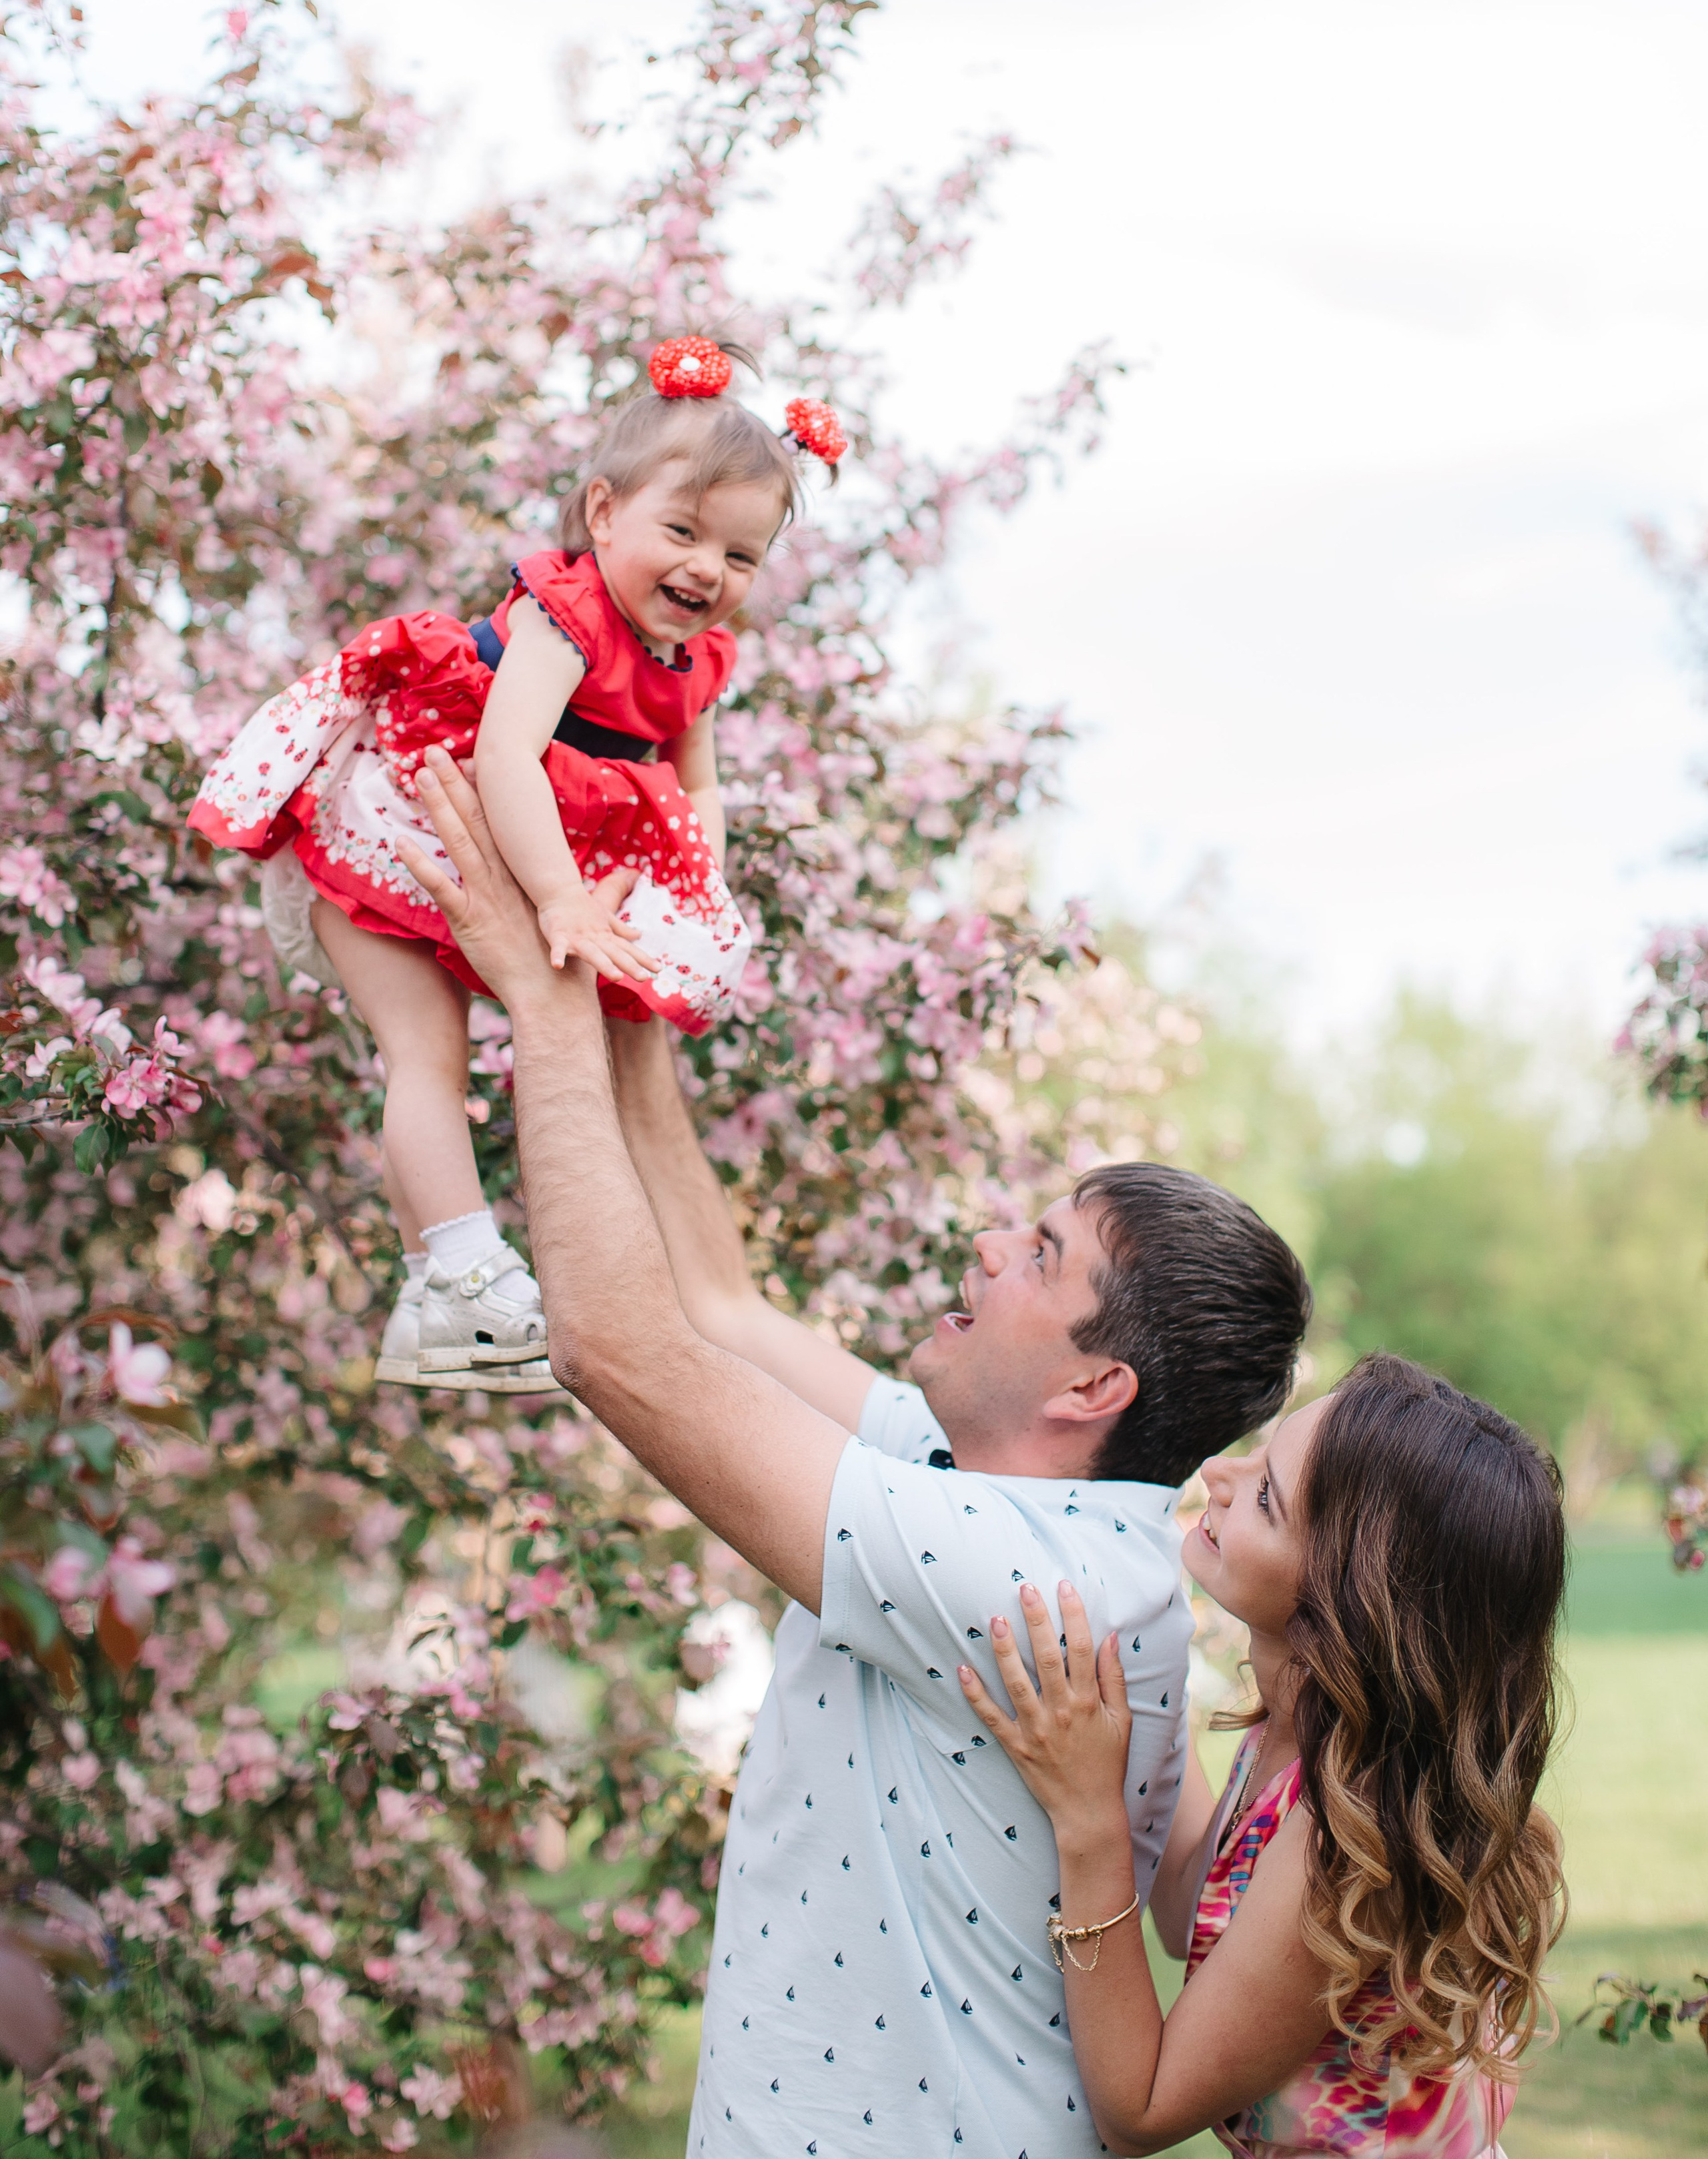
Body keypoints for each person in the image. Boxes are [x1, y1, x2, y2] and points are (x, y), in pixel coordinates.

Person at [395, 745, 1314, 2159]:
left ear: (1092, 1381)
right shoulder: (980, 1488)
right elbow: (716, 1307)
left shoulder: (1015, 1580)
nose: (986, 1244)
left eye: (1040, 1251)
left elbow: (618, 1352)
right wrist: (629, 1025)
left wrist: (540, 1002)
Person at [187, 338, 845, 1392]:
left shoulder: (698, 662)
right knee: (427, 1054)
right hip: (396, 832)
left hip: (485, 862)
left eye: (738, 556)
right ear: (601, 515)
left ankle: (428, 1311)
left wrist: (694, 892)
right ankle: (464, 1268)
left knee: (442, 1061)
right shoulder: (565, 613)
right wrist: (559, 904)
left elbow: (699, 788)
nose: (704, 571)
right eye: (680, 531)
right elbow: (504, 754)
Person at [957, 1354, 1566, 2158]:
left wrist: (1088, 1819)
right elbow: (1187, 1917)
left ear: (1350, 1601)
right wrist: (1143, 1680)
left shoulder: (1349, 1841)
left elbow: (1140, 2110)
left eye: (1267, 1496)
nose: (1218, 1472)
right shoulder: (1305, 1731)